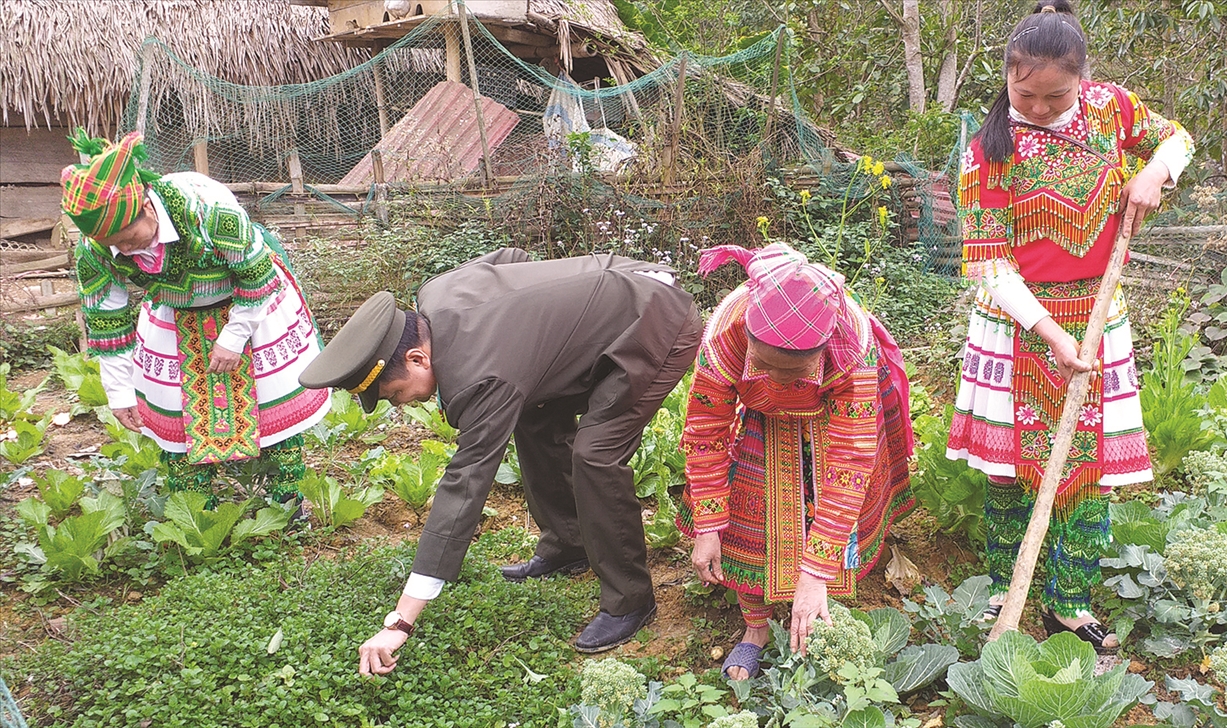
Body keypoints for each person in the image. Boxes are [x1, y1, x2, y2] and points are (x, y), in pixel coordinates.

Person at [298, 248, 701, 674]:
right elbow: (511, 257)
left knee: (595, 454)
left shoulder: (481, 377)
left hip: (657, 321)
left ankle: (630, 601)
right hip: (621, 289)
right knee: (533, 417)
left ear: (418, 358)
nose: (400, 405)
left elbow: (465, 486)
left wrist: (401, 620)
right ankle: (569, 544)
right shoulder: (435, 294)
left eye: (395, 393)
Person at [944, 0, 1194, 651]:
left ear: (1082, 81)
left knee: (1087, 470)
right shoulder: (985, 153)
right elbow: (990, 265)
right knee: (1008, 469)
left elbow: (1180, 137)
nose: (1040, 107)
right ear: (1007, 76)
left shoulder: (1113, 110)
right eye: (1024, 93)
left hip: (1097, 318)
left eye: (1056, 97)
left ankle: (1069, 604)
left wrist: (1153, 172)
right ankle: (1005, 591)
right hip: (1015, 322)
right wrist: (1048, 333)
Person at [680, 243, 914, 680]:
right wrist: (708, 523)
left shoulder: (851, 353)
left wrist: (815, 571)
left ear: (821, 354)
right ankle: (756, 629)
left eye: (790, 373)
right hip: (760, 413)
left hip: (832, 410)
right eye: (762, 365)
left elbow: (851, 460)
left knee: (831, 496)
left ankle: (817, 600)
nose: (773, 377)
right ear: (748, 339)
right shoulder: (726, 336)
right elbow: (705, 430)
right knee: (751, 501)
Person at [63, 129, 330, 505]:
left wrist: (234, 337)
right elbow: (108, 321)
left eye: (129, 235)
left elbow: (255, 274)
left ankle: (286, 503)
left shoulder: (206, 208)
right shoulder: (96, 249)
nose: (124, 249)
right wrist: (120, 392)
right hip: (174, 312)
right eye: (113, 244)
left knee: (273, 406)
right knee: (175, 413)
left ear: (147, 206)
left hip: (250, 298)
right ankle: (196, 514)